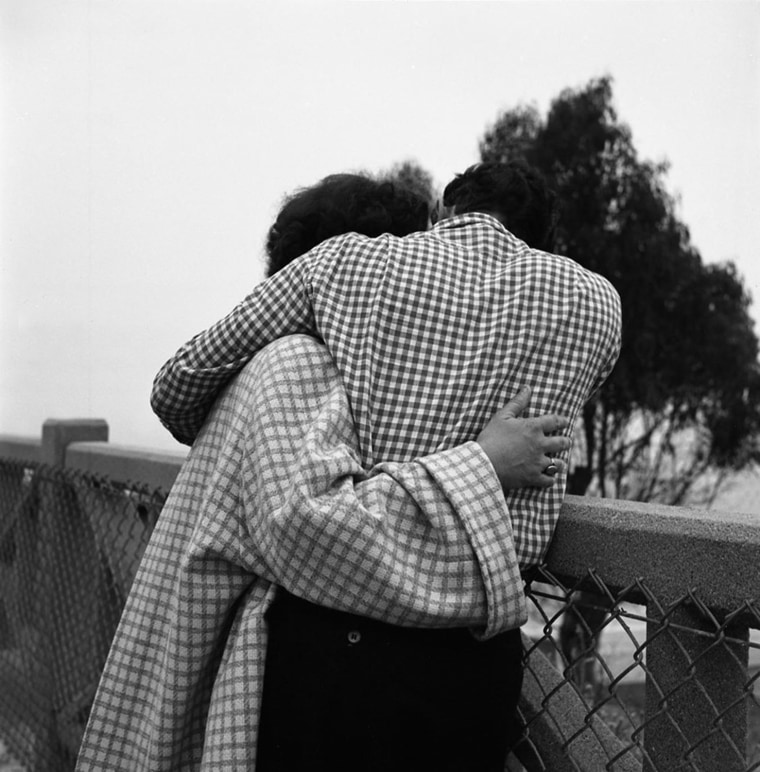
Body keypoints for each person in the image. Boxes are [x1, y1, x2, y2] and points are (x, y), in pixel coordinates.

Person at [75, 172, 575, 771]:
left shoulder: (271, 366)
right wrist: (486, 463)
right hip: (280, 685)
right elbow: (311, 528)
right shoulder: (297, 364)